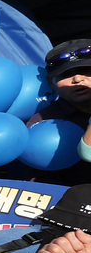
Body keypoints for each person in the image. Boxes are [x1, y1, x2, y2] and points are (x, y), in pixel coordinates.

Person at [28, 38, 91, 185]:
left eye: (85, 70)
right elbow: (40, 185)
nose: (77, 79)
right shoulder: (40, 124)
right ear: (51, 83)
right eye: (66, 74)